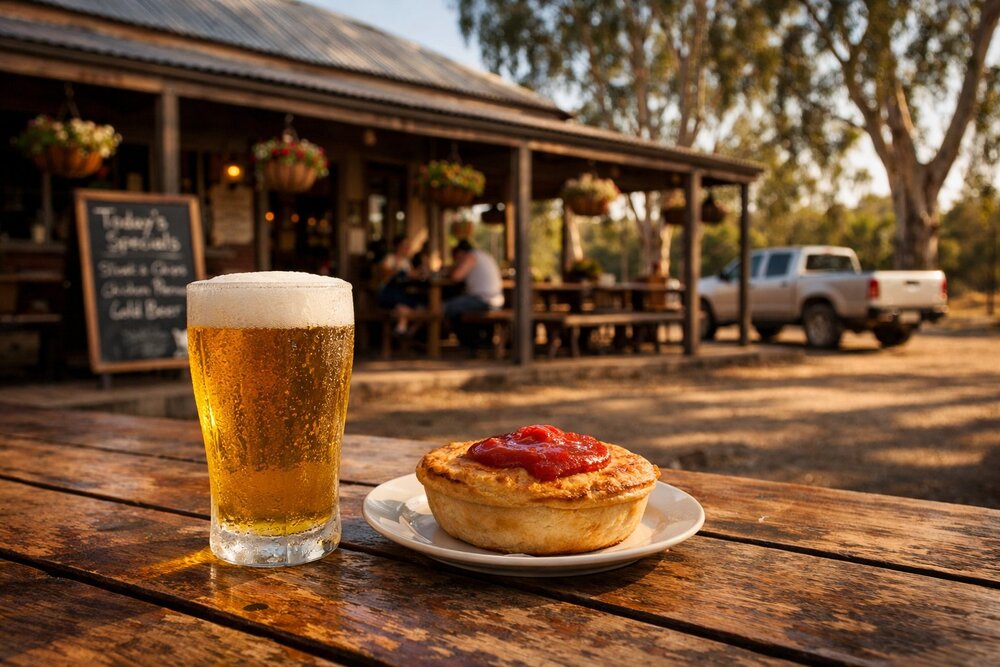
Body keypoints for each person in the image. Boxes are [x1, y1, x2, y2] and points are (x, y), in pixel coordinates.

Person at [444, 240, 504, 347]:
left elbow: (456, 277)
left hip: (484, 300)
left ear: (461, 253)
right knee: (459, 304)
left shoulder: (470, 256)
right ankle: (478, 341)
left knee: (448, 307)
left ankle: (469, 342)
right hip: (496, 299)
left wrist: (452, 269)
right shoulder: (484, 255)